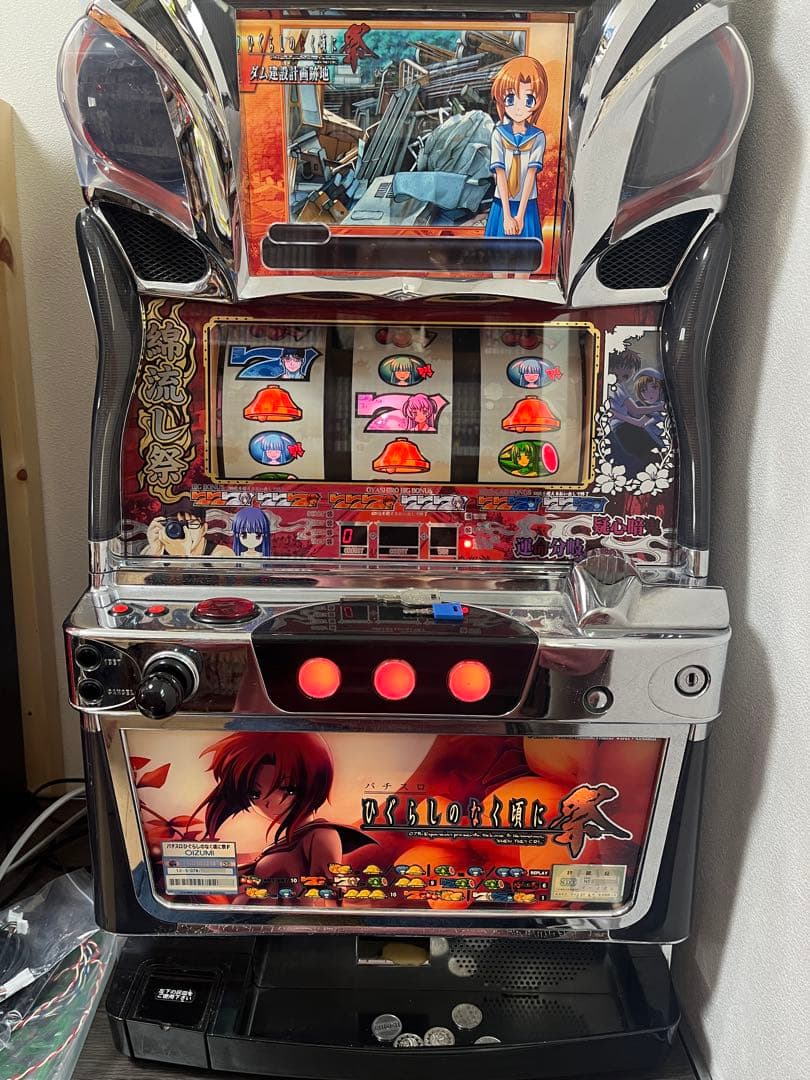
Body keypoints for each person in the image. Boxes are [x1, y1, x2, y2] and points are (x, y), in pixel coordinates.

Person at [194, 733, 373, 890]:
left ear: (314, 784)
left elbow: (327, 894)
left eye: (288, 789)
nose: (268, 802)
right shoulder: (288, 841)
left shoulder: (321, 835)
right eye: (255, 793)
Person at [486, 56, 549, 240]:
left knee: (525, 255)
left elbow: (531, 175)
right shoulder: (498, 134)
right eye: (511, 98)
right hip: (501, 205)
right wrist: (507, 216)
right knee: (498, 256)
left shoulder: (537, 136)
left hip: (527, 205)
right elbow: (500, 174)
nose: (519, 107)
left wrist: (520, 216)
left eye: (528, 99)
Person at [142, 502, 231, 557]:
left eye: (192, 523)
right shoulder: (153, 549)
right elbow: (138, 580)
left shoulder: (221, 554)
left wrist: (182, 556)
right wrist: (155, 552)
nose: (185, 531)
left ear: (204, 529)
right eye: (176, 524)